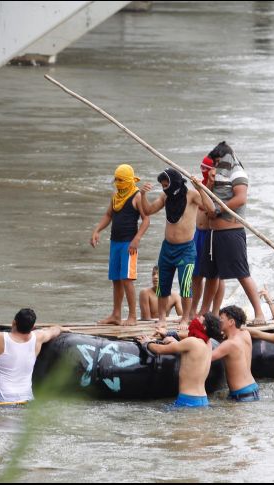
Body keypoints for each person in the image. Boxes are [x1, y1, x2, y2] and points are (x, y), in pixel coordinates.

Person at [198, 142, 266, 324]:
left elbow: (241, 198)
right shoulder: (217, 175)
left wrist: (219, 210)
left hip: (231, 232)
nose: (217, 165)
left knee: (242, 273)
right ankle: (204, 314)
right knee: (211, 275)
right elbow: (208, 199)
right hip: (213, 234)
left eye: (218, 161)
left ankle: (259, 313)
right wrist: (208, 183)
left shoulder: (237, 171)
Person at [141, 168, 214, 328]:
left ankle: (185, 318)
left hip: (186, 249)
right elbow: (148, 210)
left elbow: (211, 209)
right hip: (167, 249)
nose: (164, 188)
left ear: (174, 183)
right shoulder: (165, 196)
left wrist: (201, 188)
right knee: (163, 285)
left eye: (166, 184)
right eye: (162, 185)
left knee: (186, 285)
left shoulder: (192, 195)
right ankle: (161, 318)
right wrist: (143, 195)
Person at [90, 164, 150, 326]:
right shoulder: (115, 196)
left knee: (127, 279)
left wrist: (137, 239)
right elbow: (109, 214)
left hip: (128, 244)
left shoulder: (136, 195)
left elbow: (146, 219)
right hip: (115, 242)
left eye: (121, 180)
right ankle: (116, 315)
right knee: (116, 279)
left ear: (129, 180)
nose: (118, 182)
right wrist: (97, 230)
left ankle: (132, 316)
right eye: (116, 179)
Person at [137, 313, 223, 407]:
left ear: (204, 327)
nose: (195, 320)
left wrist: (147, 342)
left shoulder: (192, 342)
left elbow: (159, 349)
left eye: (199, 319)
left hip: (188, 400)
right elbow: (191, 353)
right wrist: (172, 337)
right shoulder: (208, 344)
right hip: (202, 399)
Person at [0, 308, 65, 403]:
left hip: (2, 398)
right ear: (33, 327)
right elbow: (54, 330)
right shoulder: (38, 337)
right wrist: (61, 328)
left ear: (14, 323)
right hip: (26, 398)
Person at [189, 156, 225, 318]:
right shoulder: (200, 186)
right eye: (205, 169)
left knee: (216, 276)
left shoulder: (220, 188)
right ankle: (192, 310)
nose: (209, 174)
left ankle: (213, 311)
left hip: (213, 233)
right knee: (196, 274)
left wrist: (204, 188)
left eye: (210, 170)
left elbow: (209, 209)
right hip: (198, 234)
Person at [211, 305, 259, 402]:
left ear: (231, 322)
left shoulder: (229, 344)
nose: (219, 322)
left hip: (242, 394)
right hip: (253, 388)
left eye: (221, 319)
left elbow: (205, 358)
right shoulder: (245, 334)